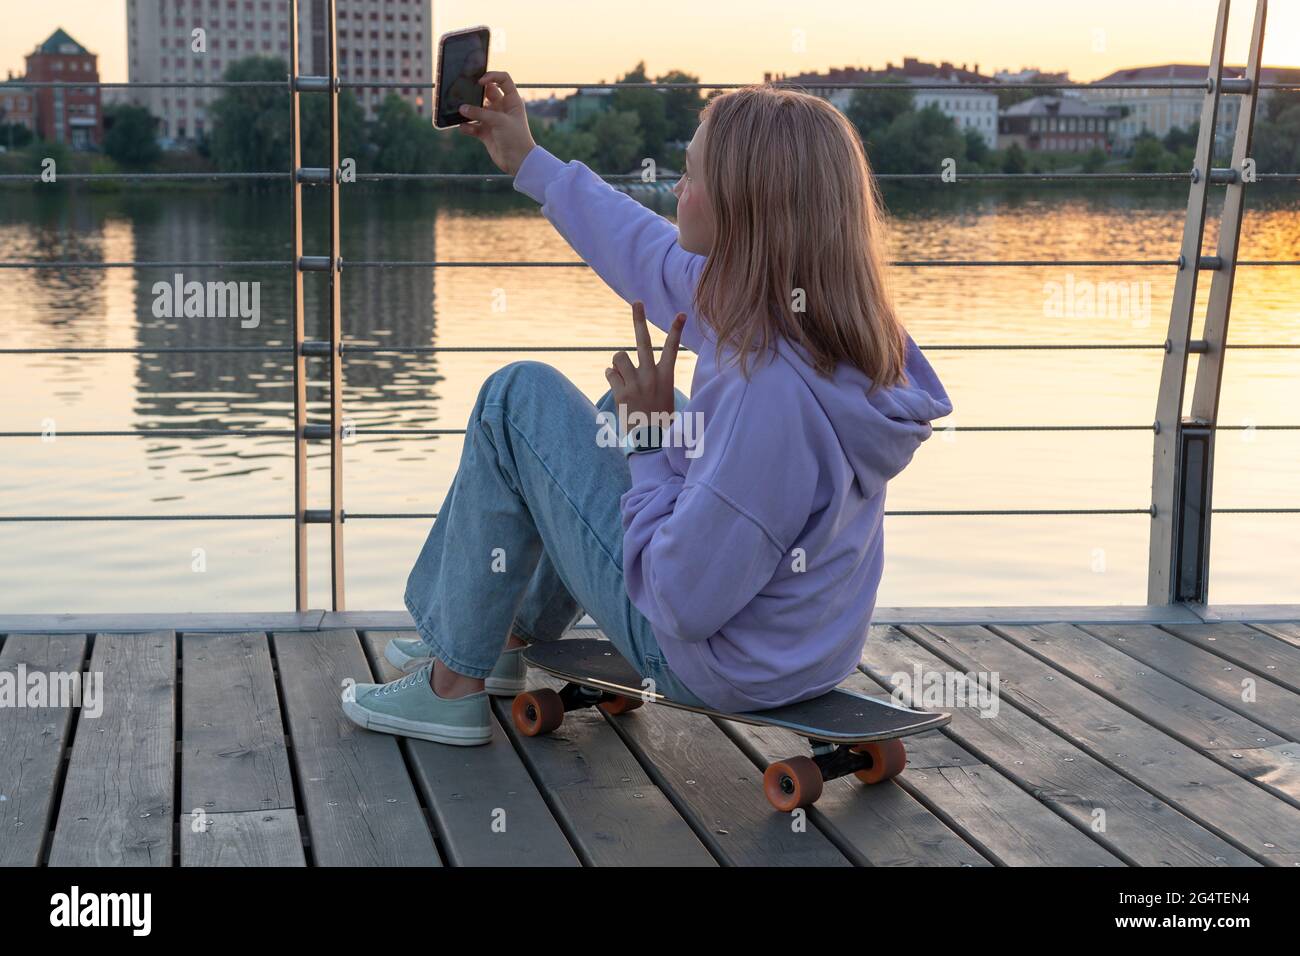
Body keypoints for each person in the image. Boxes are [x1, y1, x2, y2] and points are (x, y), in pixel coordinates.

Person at [342, 71, 953, 746]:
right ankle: (498, 635)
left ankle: (451, 685)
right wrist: (528, 160)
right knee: (617, 408)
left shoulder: (766, 391)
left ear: (745, 207)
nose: (674, 191)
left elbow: (682, 601)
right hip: (803, 650)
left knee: (517, 399)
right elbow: (645, 251)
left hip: (712, 662)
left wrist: (649, 443)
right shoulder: (805, 315)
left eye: (689, 177)